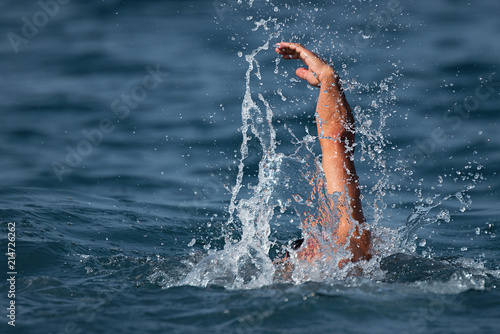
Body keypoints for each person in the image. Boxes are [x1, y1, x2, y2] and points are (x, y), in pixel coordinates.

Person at [274, 42, 371, 268]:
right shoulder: (343, 255)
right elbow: (336, 139)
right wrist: (328, 77)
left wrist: (329, 79)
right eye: (313, 241)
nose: (321, 236)